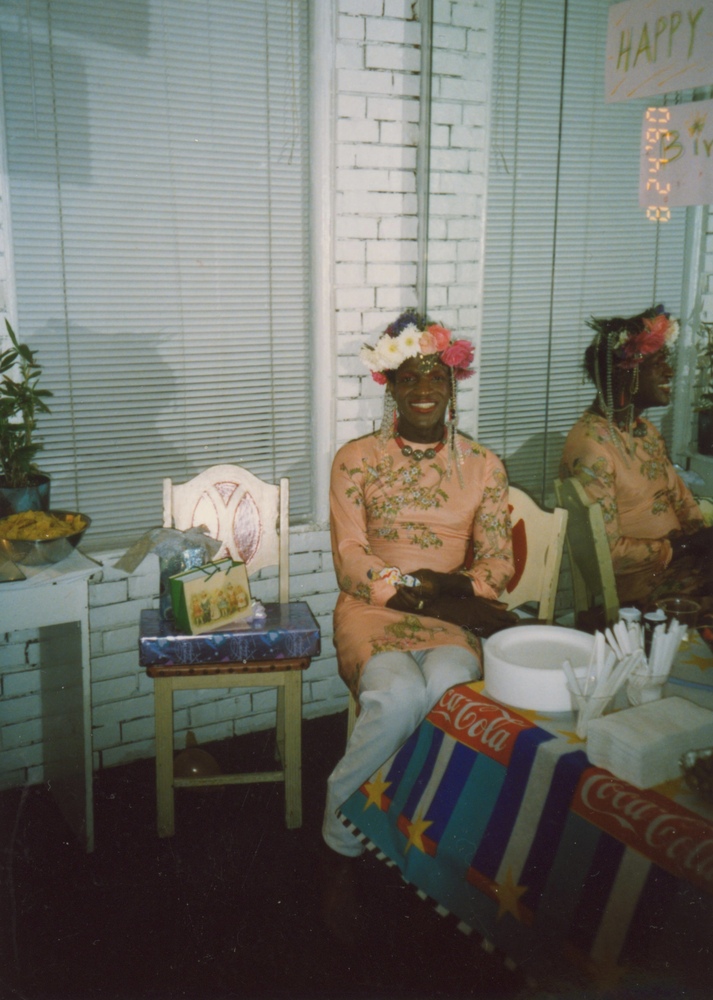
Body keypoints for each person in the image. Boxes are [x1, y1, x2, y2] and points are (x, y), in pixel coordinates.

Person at [320, 310, 516, 942]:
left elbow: (498, 564)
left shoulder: (483, 465)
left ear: (453, 383)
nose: (424, 388)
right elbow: (352, 559)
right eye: (409, 376)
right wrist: (412, 589)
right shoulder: (355, 460)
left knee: (451, 689)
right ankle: (340, 846)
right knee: (397, 695)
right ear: (390, 386)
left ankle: (425, 831)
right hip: (373, 610)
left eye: (436, 374)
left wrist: (447, 588)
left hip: (452, 612)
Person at [560, 304, 713, 608]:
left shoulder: (645, 431)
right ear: (625, 374)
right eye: (658, 363)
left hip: (679, 565)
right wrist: (684, 546)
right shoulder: (593, 448)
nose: (669, 371)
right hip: (642, 583)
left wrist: (703, 544)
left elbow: (682, 501)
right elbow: (609, 553)